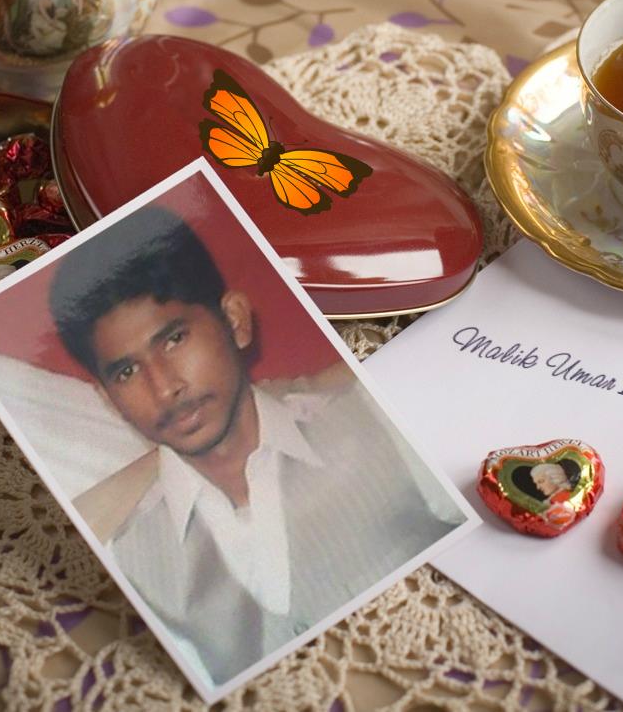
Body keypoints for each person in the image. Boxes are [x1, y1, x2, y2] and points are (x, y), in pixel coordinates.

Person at [49, 205, 463, 688]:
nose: (164, 388)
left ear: (235, 321)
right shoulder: (127, 551)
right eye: (126, 371)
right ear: (107, 399)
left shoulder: (374, 417)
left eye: (175, 339)